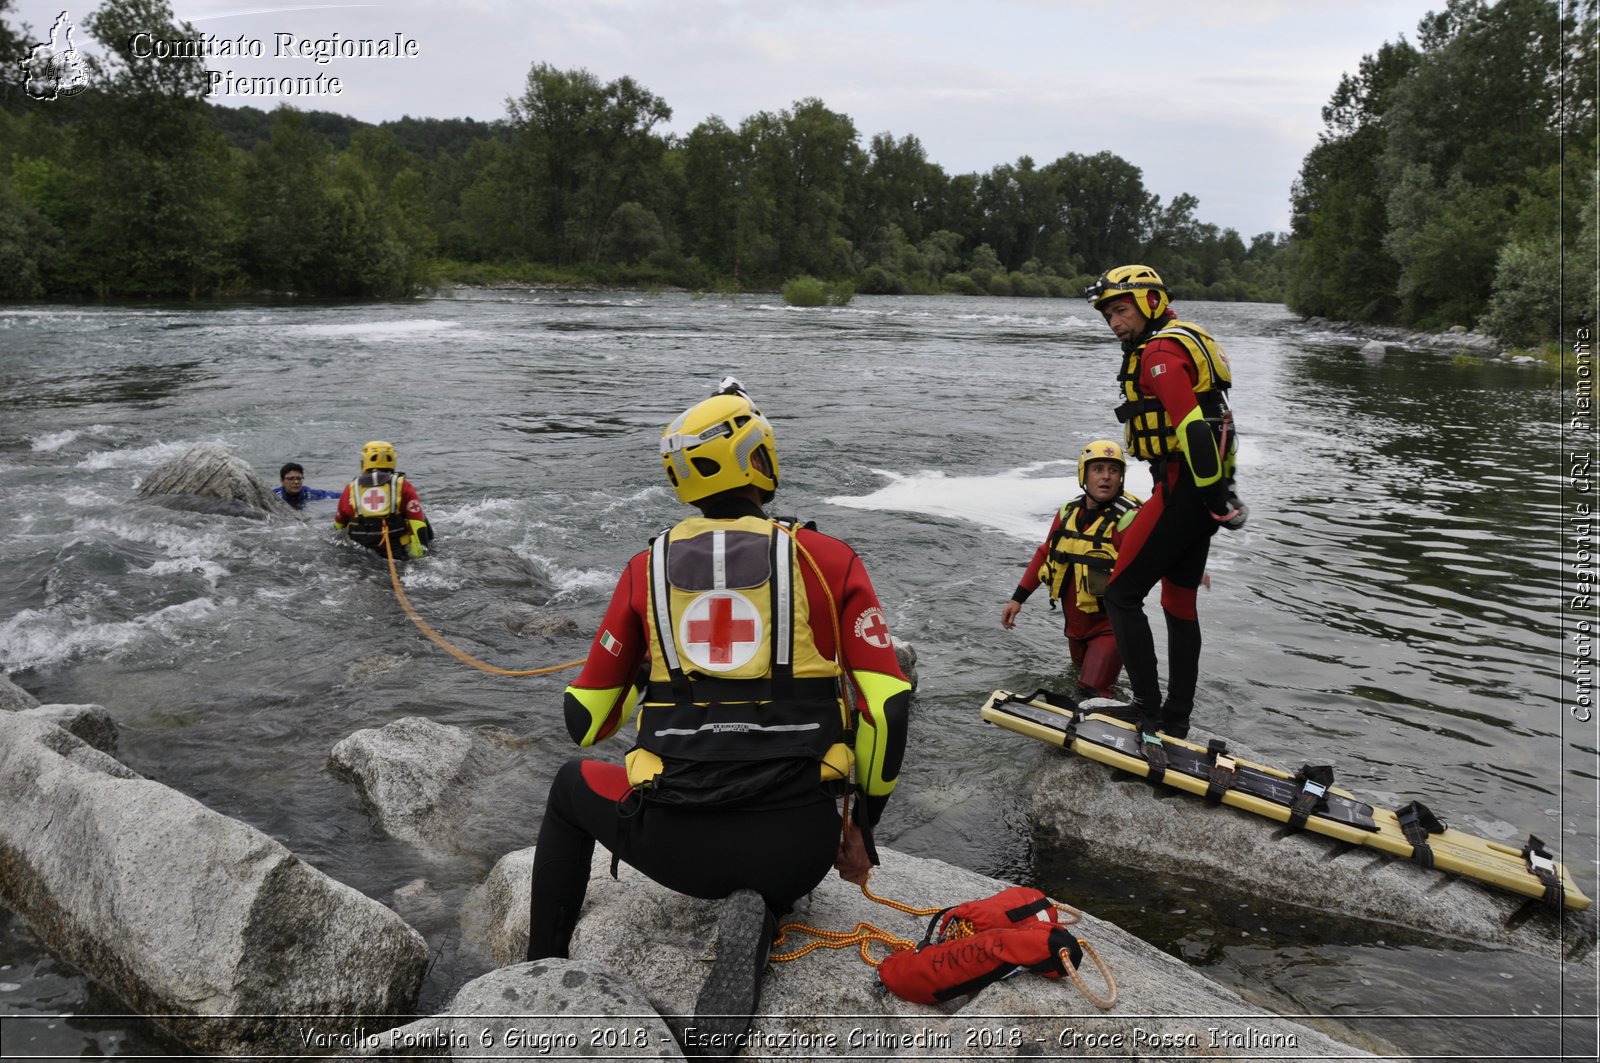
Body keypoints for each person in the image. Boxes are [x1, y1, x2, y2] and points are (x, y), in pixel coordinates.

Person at [525, 379, 911, 1053]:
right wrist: (862, 830)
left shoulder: (646, 568)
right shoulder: (827, 560)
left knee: (568, 784)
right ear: (761, 460)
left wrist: (645, 665)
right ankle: (765, 909)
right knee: (789, 814)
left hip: (680, 850)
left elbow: (583, 721)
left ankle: (540, 967)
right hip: (799, 848)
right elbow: (888, 704)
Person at [1084, 264, 1245, 748]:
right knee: (1178, 601)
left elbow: (1195, 428)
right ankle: (1176, 718)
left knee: (1120, 594)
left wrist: (1213, 496)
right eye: (1109, 314)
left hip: (1184, 487)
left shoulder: (1158, 350)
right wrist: (1223, 489)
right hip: (1197, 485)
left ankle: (1149, 707)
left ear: (1150, 302)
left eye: (1121, 309)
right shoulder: (1180, 340)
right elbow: (1217, 424)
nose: (1114, 322)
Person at [1001, 439, 1142, 701]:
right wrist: (1017, 599)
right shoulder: (1067, 512)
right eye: (1098, 469)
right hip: (1075, 628)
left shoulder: (1128, 519)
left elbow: (1155, 557)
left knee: (1090, 692)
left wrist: (1187, 571)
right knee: (1079, 680)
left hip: (1111, 627)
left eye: (1113, 470)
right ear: (1084, 474)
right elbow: (1046, 553)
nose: (1106, 477)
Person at [333, 440, 433, 559]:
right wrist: (419, 559)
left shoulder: (350, 489)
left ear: (364, 461)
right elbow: (418, 526)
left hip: (358, 556)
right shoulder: (403, 486)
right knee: (422, 517)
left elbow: (338, 527)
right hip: (396, 553)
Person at [273, 462, 341, 510]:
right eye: (291, 479)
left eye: (299, 478)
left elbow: (333, 495)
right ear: (282, 481)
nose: (296, 482)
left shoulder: (308, 494)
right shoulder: (275, 496)